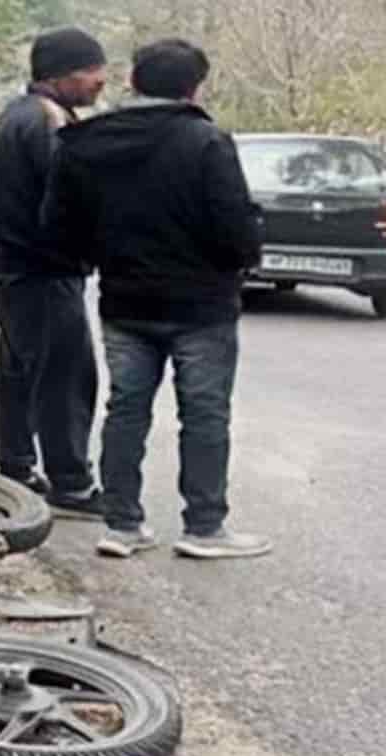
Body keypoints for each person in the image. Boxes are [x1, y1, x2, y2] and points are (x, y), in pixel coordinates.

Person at [41, 38, 273, 559]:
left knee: (126, 409)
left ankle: (121, 524)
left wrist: (102, 259)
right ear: (193, 88)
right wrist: (240, 259)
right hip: (202, 307)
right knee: (206, 413)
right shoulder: (207, 142)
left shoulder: (85, 142)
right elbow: (236, 229)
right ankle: (204, 528)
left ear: (133, 82)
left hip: (125, 302)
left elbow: (58, 229)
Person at [0, 26, 109, 518]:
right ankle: (71, 483)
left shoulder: (15, 114)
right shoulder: (50, 123)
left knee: (18, 369)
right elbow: (66, 202)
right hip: (43, 268)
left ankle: (13, 469)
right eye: (93, 72)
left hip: (13, 266)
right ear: (63, 74)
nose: (101, 82)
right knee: (66, 375)